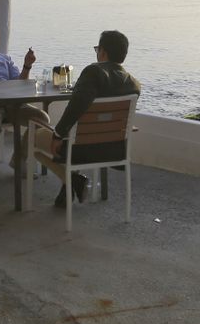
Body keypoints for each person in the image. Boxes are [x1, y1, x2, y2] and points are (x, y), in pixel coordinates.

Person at [28, 30, 140, 208]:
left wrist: (57, 135)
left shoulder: (93, 72)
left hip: (81, 149)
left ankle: (72, 180)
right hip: (114, 148)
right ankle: (70, 186)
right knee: (76, 134)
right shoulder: (134, 83)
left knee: (32, 137)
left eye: (97, 49)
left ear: (102, 51)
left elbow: (76, 107)